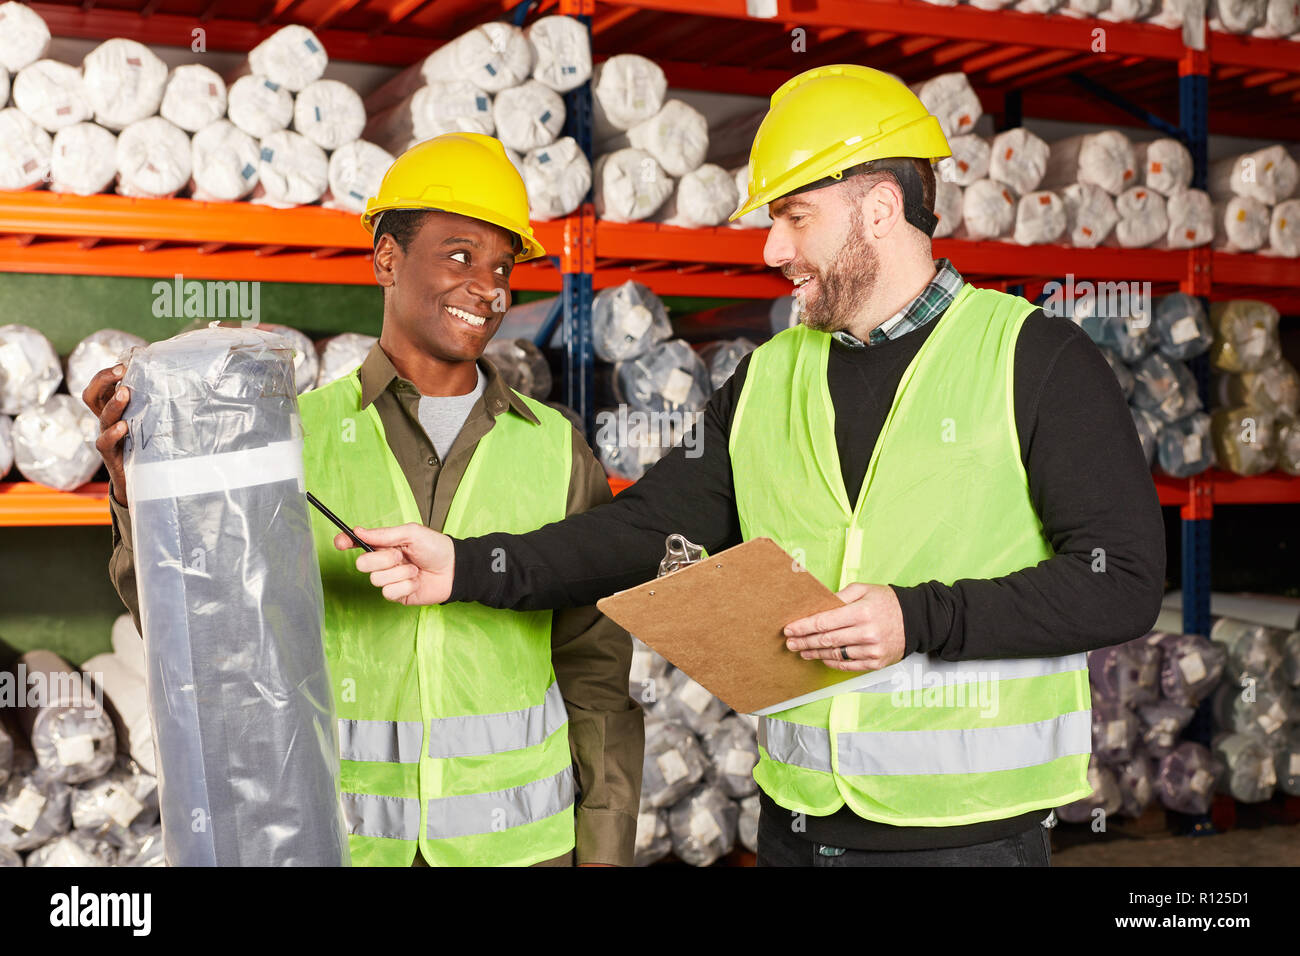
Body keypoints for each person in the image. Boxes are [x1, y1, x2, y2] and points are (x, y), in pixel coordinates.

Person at [332, 67, 1168, 867]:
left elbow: (1122, 578)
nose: (773, 247)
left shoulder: (1032, 357)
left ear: (878, 208)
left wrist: (919, 619)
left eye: (796, 216)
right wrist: (467, 565)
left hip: (965, 836)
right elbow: (640, 530)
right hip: (796, 825)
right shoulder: (770, 375)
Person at [83, 132, 644, 868]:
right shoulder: (288, 441)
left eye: (503, 265)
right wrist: (141, 497)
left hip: (520, 848)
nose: (489, 286)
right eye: (459, 255)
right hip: (346, 846)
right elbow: (201, 636)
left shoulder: (557, 450)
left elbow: (595, 669)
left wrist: (603, 853)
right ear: (386, 257)